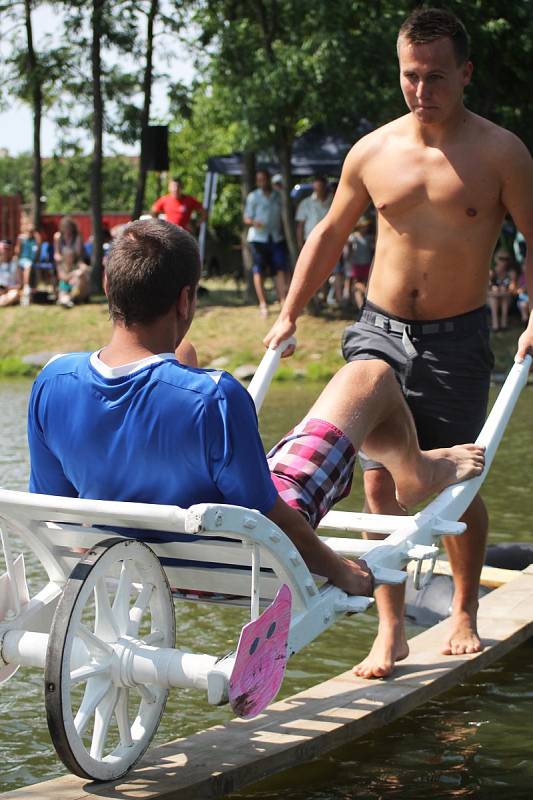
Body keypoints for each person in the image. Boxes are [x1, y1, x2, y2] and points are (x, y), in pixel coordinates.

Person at [264, 6, 533, 678]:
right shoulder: (372, 150)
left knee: (456, 484)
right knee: (379, 487)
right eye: (411, 76)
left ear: (464, 73)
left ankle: (465, 610)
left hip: (455, 339)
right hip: (376, 331)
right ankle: (389, 631)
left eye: (436, 76)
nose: (422, 90)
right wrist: (289, 313)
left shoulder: (501, 153)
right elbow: (327, 234)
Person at [244, 169, 290, 318]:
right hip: (258, 239)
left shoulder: (278, 196)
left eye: (264, 179)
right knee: (259, 271)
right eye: (259, 180)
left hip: (276, 237)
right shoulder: (253, 197)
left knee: (280, 269)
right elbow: (247, 218)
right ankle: (263, 303)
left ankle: (283, 301)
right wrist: (254, 223)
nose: (262, 182)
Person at [53, 217, 90, 308]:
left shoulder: (77, 236)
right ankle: (66, 298)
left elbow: (78, 254)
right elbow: (57, 253)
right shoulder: (58, 237)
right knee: (65, 286)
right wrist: (73, 273)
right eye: (65, 227)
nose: (67, 230)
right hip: (64, 264)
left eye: (68, 227)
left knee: (82, 274)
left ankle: (70, 298)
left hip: (76, 261)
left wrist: (77, 269)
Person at [488, 250, 513, 331]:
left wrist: (501, 292)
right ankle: (496, 324)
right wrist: (499, 293)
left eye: (506, 259)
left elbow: (513, 290)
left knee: (503, 296)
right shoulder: (491, 273)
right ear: (495, 259)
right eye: (501, 258)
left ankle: (503, 323)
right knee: (494, 296)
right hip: (492, 299)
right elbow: (485, 292)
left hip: (506, 299)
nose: (504, 261)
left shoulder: (510, 273)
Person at [0, 239, 23, 307]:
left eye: (8, 248)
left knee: (14, 294)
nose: (6, 251)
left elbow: (20, 285)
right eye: (4, 248)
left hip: (11, 290)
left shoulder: (15, 263)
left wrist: (8, 288)